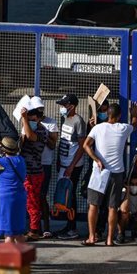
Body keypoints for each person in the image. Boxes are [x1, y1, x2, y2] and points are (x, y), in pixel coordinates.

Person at [83, 103, 136, 246]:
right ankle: (109, 239)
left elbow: (86, 145)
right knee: (112, 207)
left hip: (99, 172)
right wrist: (134, 113)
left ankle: (92, 237)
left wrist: (97, 159)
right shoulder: (124, 128)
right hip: (116, 173)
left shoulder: (97, 128)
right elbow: (134, 124)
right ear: (119, 116)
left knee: (93, 205)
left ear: (107, 114)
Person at [55, 94, 86, 240]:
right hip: (64, 162)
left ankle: (72, 228)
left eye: (64, 105)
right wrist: (59, 160)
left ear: (72, 106)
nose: (62, 108)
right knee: (65, 197)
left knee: (70, 196)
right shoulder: (64, 118)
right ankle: (68, 225)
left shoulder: (78, 121)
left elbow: (81, 146)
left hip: (73, 165)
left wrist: (72, 166)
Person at [31, 96, 58, 238]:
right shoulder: (29, 122)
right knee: (31, 196)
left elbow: (53, 145)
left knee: (41, 196)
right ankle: (34, 227)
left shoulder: (51, 123)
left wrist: (43, 134)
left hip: (45, 163)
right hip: (31, 163)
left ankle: (46, 226)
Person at [19, 105, 48, 240]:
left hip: (34, 173)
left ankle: (34, 230)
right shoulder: (27, 130)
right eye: (28, 118)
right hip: (26, 172)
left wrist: (24, 120)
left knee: (33, 202)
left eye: (32, 119)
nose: (30, 120)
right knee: (28, 202)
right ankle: (31, 227)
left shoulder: (42, 131)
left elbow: (31, 136)